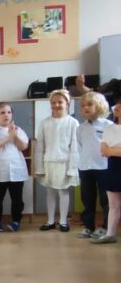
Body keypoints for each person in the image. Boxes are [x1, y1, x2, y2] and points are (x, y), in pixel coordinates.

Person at [34, 88, 79, 232]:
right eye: (53, 102)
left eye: (60, 102)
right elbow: (40, 146)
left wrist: (72, 167)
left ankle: (63, 221)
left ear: (67, 103)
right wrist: (39, 167)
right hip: (49, 161)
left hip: (64, 162)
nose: (56, 105)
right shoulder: (45, 123)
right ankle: (50, 221)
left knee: (63, 191)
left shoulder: (73, 123)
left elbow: (75, 147)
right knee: (50, 192)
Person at [0, 103, 29, 233]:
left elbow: (24, 146)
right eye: (2, 112)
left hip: (17, 170)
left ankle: (16, 221)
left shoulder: (18, 130)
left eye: (9, 112)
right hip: (0, 171)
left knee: (17, 199)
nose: (6, 115)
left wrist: (15, 136)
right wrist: (9, 137)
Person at [76, 91, 113, 238]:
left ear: (99, 106)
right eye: (83, 105)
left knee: (106, 199)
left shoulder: (108, 125)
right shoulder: (81, 128)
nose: (85, 108)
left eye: (89, 104)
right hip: (86, 167)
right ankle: (88, 226)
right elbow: (80, 147)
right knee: (87, 198)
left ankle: (106, 227)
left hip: (104, 167)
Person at [91, 97, 121, 244]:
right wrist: (115, 150)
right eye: (118, 105)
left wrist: (112, 149)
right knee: (113, 204)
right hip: (114, 167)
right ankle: (110, 234)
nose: (118, 107)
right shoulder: (109, 128)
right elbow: (104, 151)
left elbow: (110, 149)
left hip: (114, 163)